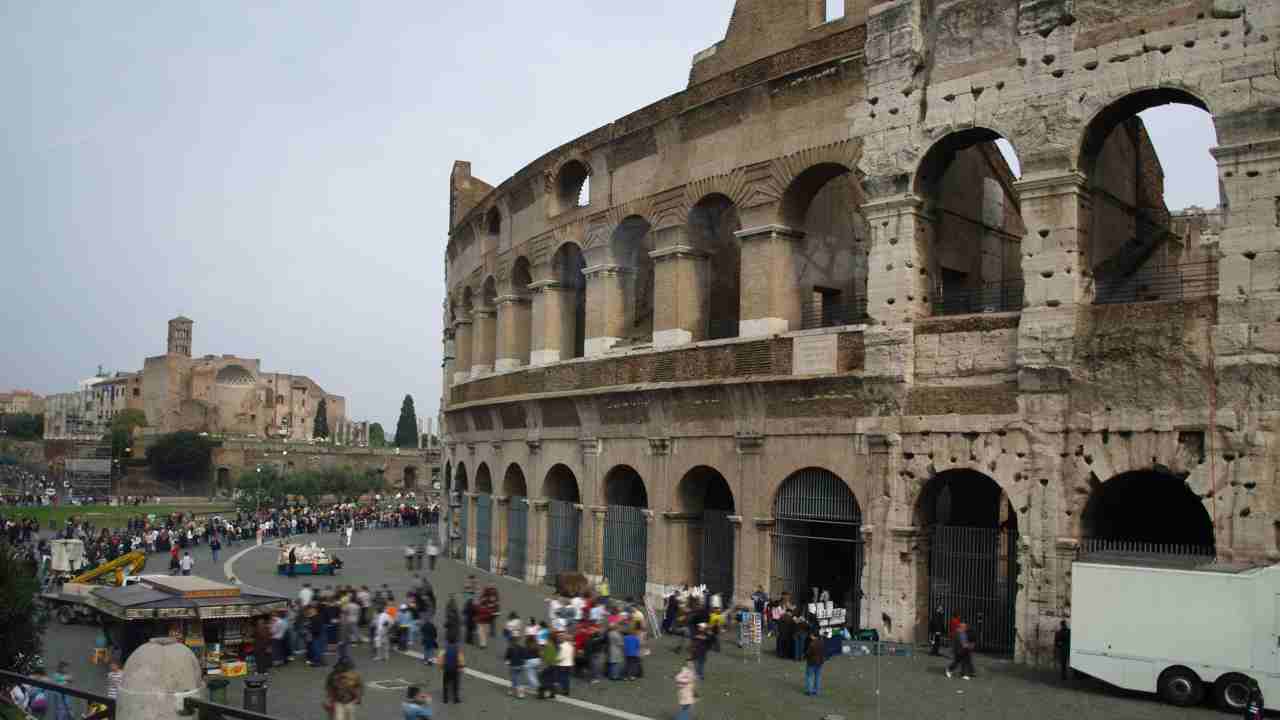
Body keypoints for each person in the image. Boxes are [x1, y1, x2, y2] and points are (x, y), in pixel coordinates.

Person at [438, 640, 464, 704]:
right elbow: (461, 660)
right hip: (455, 670)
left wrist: (441, 667)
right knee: (455, 684)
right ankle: (456, 698)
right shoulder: (457, 649)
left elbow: (440, 659)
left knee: (445, 684)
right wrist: (461, 667)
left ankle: (445, 699)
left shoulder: (444, 650)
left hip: (446, 669)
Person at [804, 630, 826, 696]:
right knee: (818, 676)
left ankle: (810, 691)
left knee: (809, 676)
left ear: (813, 636)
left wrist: (805, 655)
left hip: (812, 662)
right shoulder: (822, 642)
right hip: (820, 662)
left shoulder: (812, 644)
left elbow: (808, 653)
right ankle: (817, 691)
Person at [505, 632, 527, 698]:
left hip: (513, 666)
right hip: (520, 665)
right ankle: (512, 690)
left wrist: (507, 662)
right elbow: (524, 656)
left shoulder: (510, 648)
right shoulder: (522, 648)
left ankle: (518, 692)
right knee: (518, 678)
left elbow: (507, 657)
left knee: (514, 679)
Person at [557, 631, 575, 696]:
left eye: (559, 637)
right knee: (567, 678)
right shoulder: (571, 646)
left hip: (562, 665)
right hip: (569, 664)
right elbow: (572, 655)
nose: (558, 639)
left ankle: (564, 690)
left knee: (562, 678)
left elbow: (561, 656)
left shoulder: (561, 646)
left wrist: (556, 660)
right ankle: (566, 690)